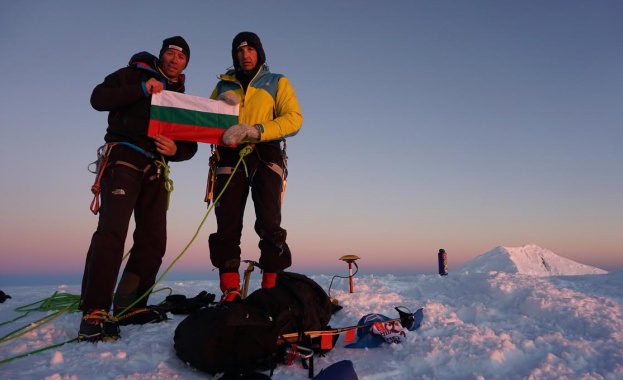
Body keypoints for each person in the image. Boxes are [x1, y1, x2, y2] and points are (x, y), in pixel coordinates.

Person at [79, 36, 198, 341]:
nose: (175, 59)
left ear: (186, 64)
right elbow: (98, 98)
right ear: (161, 56)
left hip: (156, 167)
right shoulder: (132, 74)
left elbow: (191, 144)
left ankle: (129, 304)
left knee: (153, 239)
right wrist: (142, 89)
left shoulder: (180, 98)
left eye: (181, 57)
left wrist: (175, 150)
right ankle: (94, 310)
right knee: (112, 231)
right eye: (170, 53)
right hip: (123, 158)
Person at [208, 31, 303, 302]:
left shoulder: (277, 82)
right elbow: (205, 121)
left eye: (250, 49)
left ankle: (271, 286)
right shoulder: (224, 86)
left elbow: (294, 119)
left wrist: (256, 130)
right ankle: (230, 289)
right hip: (228, 155)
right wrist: (219, 106)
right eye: (239, 50)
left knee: (269, 222)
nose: (245, 55)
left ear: (259, 53)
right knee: (227, 223)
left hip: (265, 152)